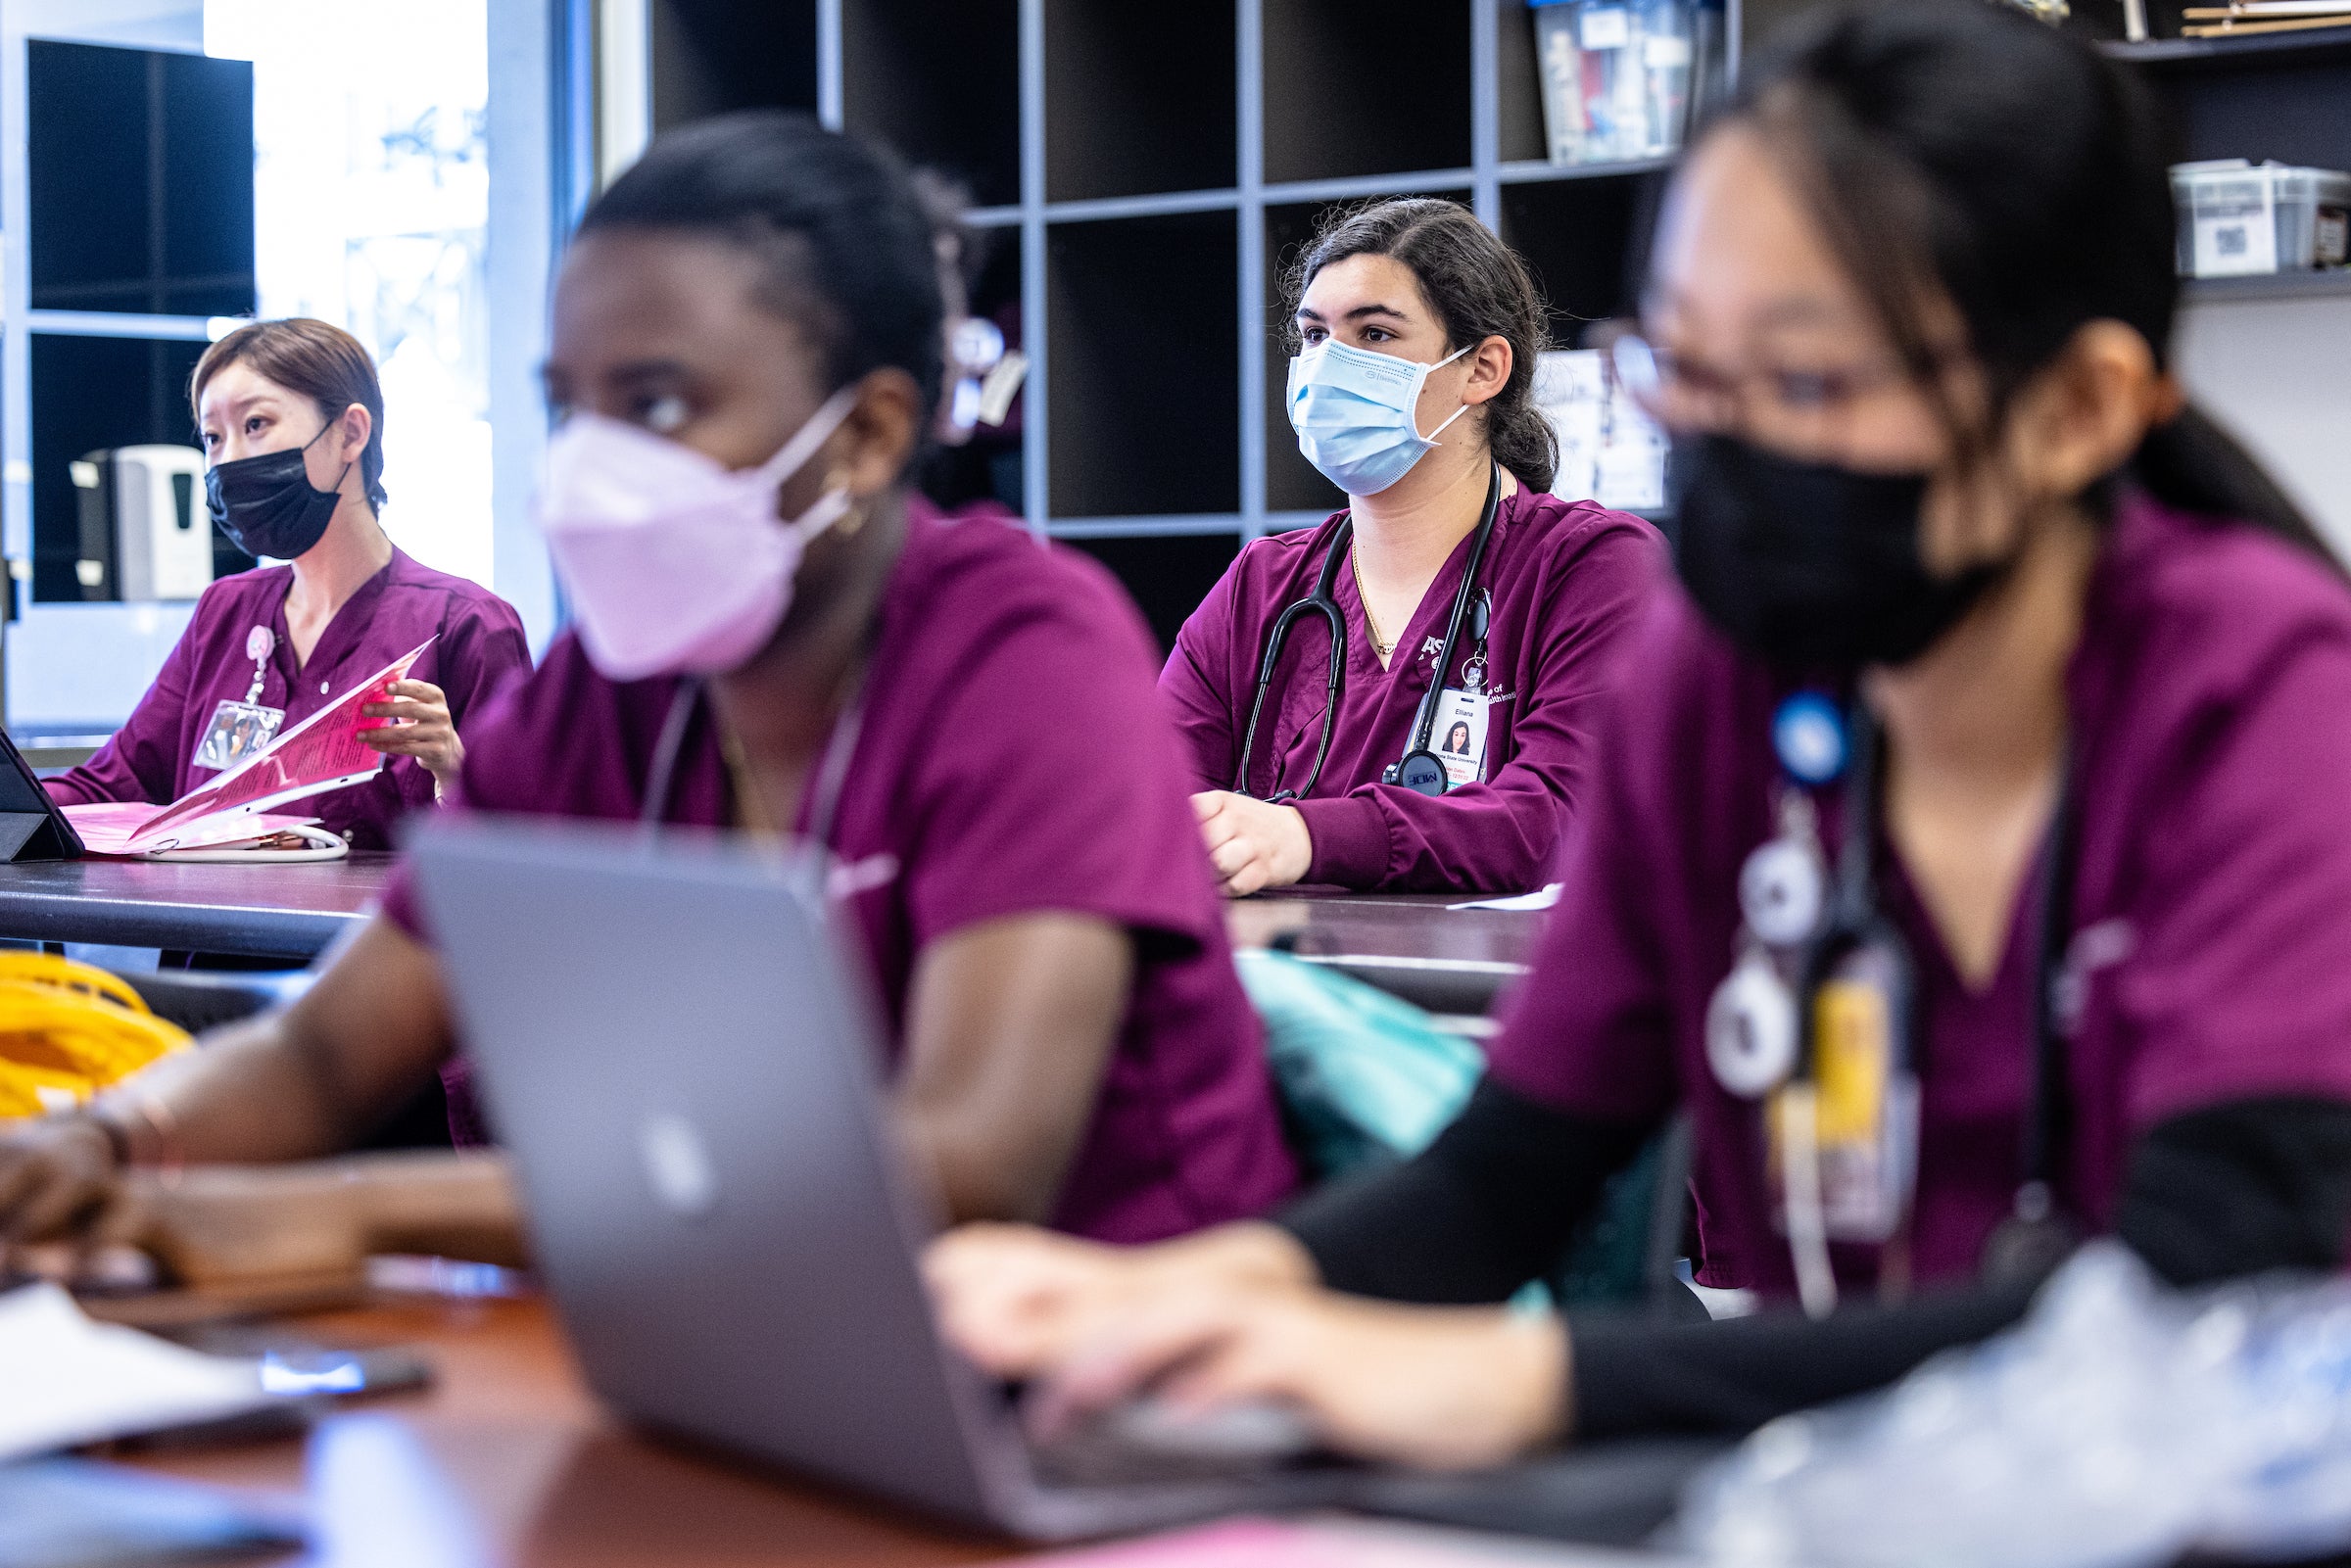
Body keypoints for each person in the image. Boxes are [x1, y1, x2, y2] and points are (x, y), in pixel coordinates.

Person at [928, 2, 2351, 1468]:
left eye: (1799, 382)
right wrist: (1170, 1302)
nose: (1724, 451)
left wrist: (1526, 1392)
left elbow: (2201, 1308)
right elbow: (1507, 1175)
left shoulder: (2262, 687)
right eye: (1688, 373)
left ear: (2075, 409)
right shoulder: (1723, 681)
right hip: (1876, 1473)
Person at [0, 113, 1294, 1259]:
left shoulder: (1022, 648)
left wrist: (352, 1208)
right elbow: (331, 1046)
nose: (596, 464)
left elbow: (966, 1162)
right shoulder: (604, 693)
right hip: (721, 1336)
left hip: (1098, 1394)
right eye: (572, 405)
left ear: (871, 432)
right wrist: (103, 1142)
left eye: (659, 403)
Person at [1163, 199, 1662, 898]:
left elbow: (1562, 814)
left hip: (1483, 998)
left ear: (1483, 369)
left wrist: (1307, 836)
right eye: (1313, 335)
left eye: (1373, 333)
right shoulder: (1262, 587)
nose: (1328, 365)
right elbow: (1149, 808)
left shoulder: (1592, 567)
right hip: (1281, 985)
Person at [44, 320, 529, 848]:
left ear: (350, 433)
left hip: (362, 932)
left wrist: (454, 772)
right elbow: (116, 783)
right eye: (212, 437)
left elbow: (528, 851)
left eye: (256, 424)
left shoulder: (465, 624)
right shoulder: (226, 612)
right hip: (201, 927)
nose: (227, 459)